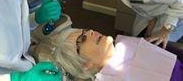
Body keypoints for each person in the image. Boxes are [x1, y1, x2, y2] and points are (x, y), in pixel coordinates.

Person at [31, 26, 183, 81]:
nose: (90, 31)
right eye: (82, 39)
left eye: (84, 31)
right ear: (86, 65)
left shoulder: (126, 46)